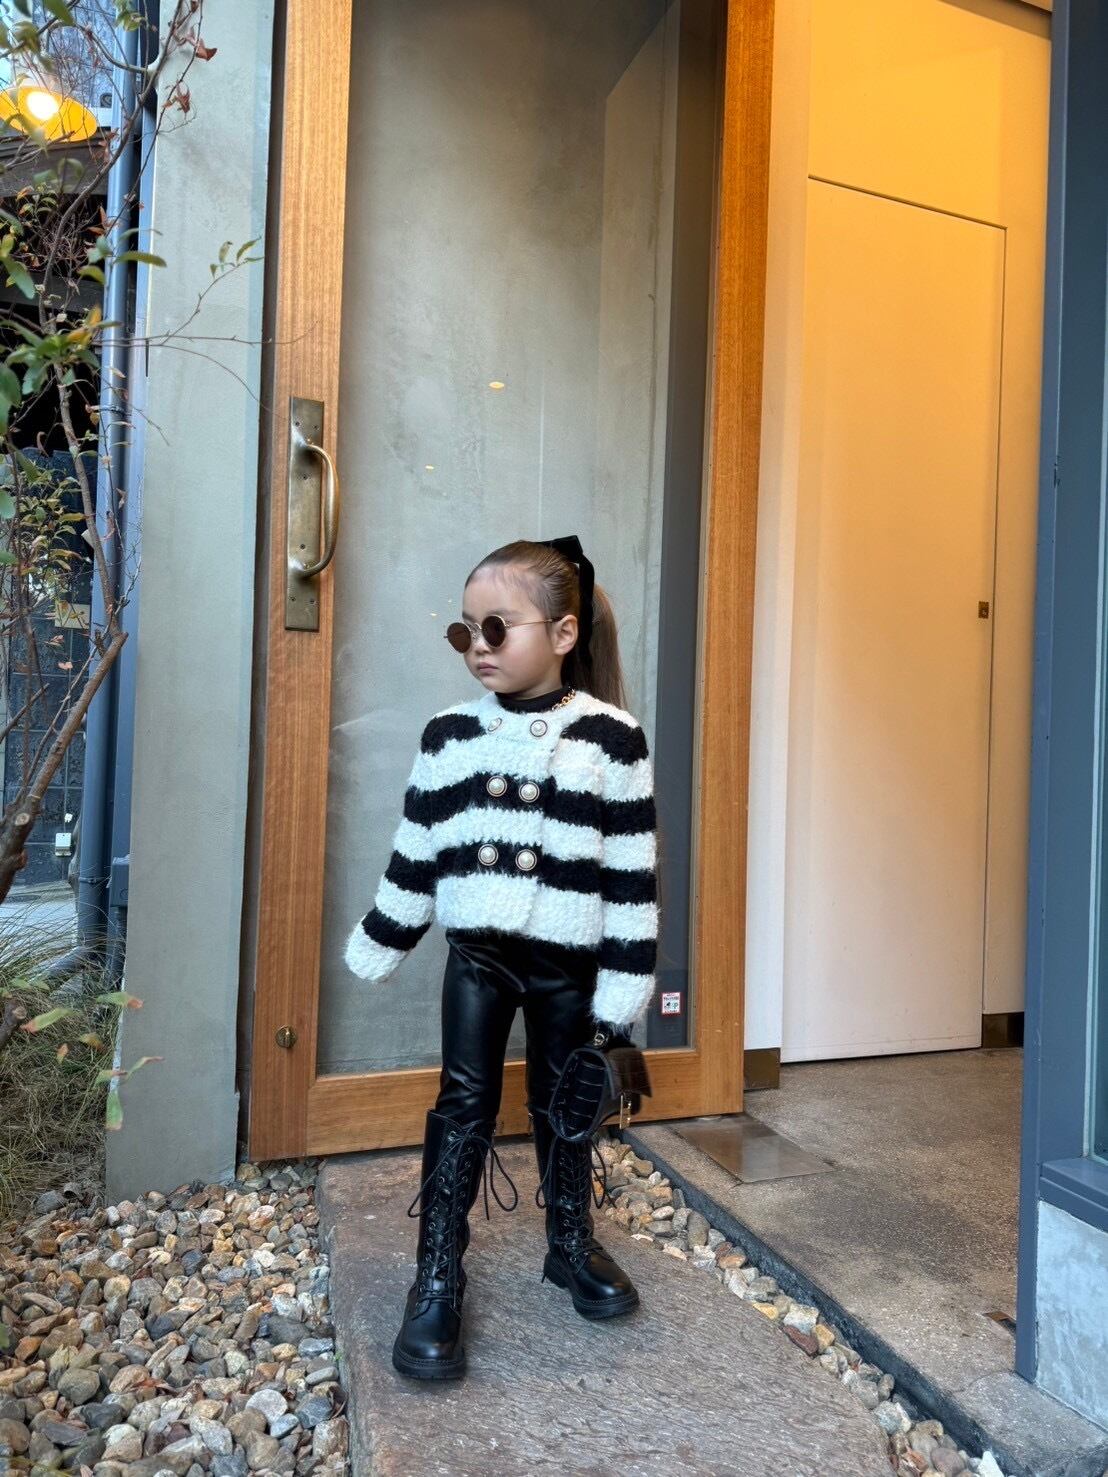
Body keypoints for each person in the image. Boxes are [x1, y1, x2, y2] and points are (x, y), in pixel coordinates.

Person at [344, 534, 660, 1381]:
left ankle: (570, 1241)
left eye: (496, 627)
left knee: (565, 1099)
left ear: (563, 633)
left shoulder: (612, 739)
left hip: (568, 961)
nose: (477, 646)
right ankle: (436, 1273)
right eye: (464, 630)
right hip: (478, 958)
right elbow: (419, 846)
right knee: (463, 1100)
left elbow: (631, 875)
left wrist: (623, 988)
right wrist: (385, 933)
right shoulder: (449, 735)